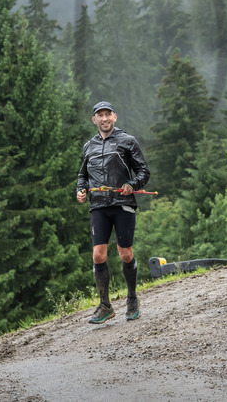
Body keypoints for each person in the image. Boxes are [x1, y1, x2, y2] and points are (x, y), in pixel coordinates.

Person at [76, 100, 151, 324]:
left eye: (108, 114)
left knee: (125, 253)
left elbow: (144, 171)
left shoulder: (127, 141)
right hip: (98, 205)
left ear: (114, 117)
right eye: (100, 115)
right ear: (94, 120)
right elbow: (82, 176)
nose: (105, 118)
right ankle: (105, 306)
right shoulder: (89, 146)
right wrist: (80, 190)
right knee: (98, 255)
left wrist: (132, 184)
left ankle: (132, 298)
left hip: (123, 204)